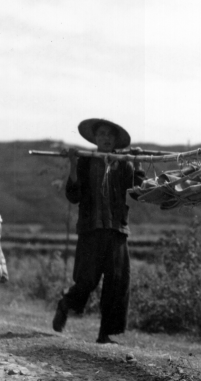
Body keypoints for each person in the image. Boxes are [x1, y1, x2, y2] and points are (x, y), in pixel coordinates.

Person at [52, 119, 144, 344]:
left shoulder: (123, 163)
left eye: (110, 135)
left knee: (117, 281)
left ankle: (105, 334)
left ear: (115, 140)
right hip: (91, 229)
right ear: (95, 138)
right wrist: (73, 163)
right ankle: (66, 304)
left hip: (117, 229)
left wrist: (138, 162)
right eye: (102, 134)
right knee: (86, 279)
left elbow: (138, 192)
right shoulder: (85, 161)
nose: (106, 138)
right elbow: (74, 196)